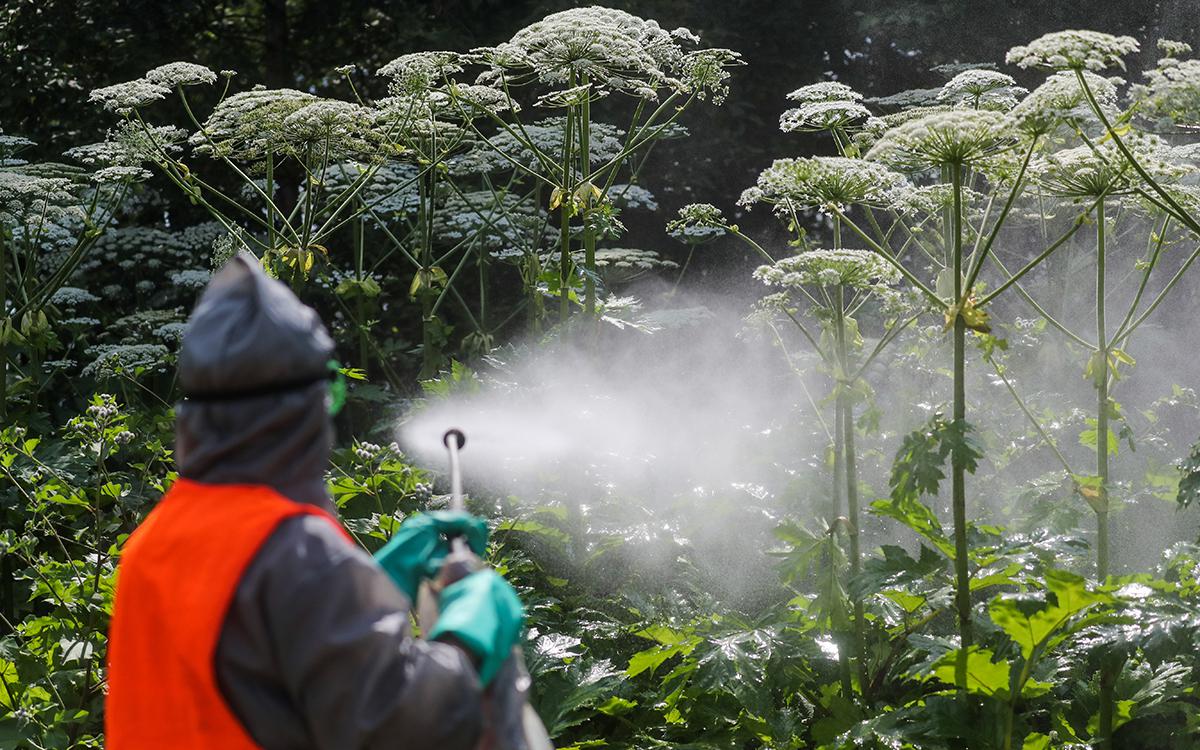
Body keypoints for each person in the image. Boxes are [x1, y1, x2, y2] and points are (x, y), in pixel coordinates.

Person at [105, 254, 523, 750]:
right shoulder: (297, 553)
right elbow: (399, 728)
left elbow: (262, 663)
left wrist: (373, 585)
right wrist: (468, 639)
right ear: (313, 403)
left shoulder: (158, 537)